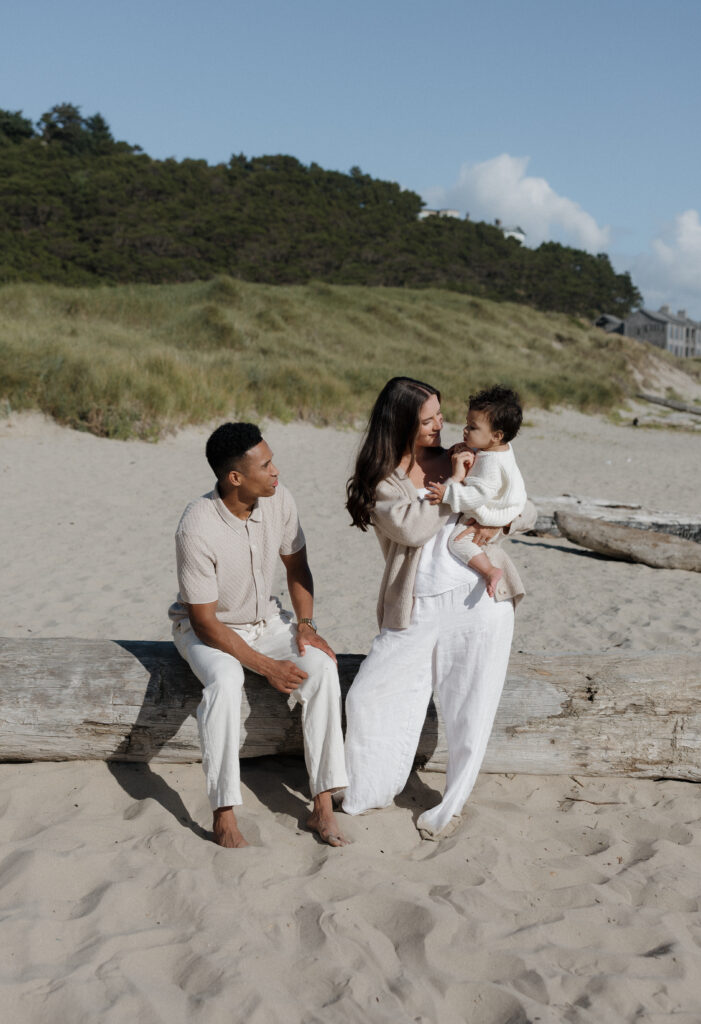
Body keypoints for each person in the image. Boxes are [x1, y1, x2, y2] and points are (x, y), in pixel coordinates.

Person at [342, 377, 535, 840]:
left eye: (440, 415)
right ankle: (368, 792)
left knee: (472, 705)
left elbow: (525, 506)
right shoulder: (384, 479)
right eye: (427, 419)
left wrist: (500, 524)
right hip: (415, 606)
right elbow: (414, 530)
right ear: (400, 423)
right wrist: (456, 484)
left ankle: (451, 803)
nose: (440, 425)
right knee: (369, 697)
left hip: (479, 598)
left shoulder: (468, 453)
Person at [169, 422, 348, 848]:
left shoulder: (279, 499)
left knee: (323, 668)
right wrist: (267, 667)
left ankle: (322, 804)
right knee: (226, 680)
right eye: (265, 465)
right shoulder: (196, 526)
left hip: (266, 620)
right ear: (235, 477)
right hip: (207, 629)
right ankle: (224, 812)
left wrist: (306, 625)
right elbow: (204, 621)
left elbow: (297, 567)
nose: (275, 471)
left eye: (272, 461)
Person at [426, 385, 527, 598]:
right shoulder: (496, 447)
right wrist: (468, 448)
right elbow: (480, 452)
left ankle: (489, 570)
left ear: (497, 435)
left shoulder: (491, 465)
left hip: (493, 510)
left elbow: (476, 496)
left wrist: (447, 494)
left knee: (457, 542)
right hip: (509, 501)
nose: (465, 430)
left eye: (472, 428)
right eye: (467, 424)